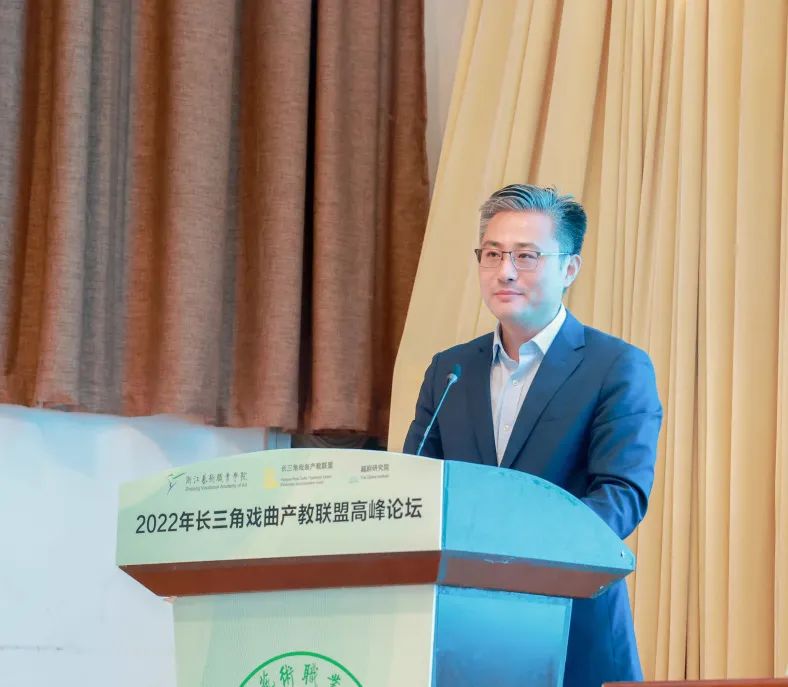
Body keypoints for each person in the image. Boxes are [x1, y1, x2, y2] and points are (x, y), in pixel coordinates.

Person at [403, 184, 662, 687]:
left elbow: (621, 496)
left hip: (571, 624)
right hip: (460, 629)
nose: (504, 271)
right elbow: (417, 490)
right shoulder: (449, 370)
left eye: (526, 256)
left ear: (569, 269)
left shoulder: (616, 366)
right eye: (492, 254)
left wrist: (514, 557)